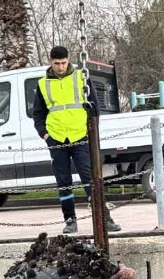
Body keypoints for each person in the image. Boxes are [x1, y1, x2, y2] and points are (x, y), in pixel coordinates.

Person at [32, 45, 121, 236]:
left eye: (64, 63)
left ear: (68, 60)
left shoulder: (81, 77)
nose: (61, 67)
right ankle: (70, 220)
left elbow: (94, 107)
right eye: (57, 63)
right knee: (63, 181)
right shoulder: (43, 84)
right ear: (50, 62)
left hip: (80, 137)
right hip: (57, 138)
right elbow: (38, 114)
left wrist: (91, 133)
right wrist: (45, 135)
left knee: (90, 178)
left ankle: (104, 218)